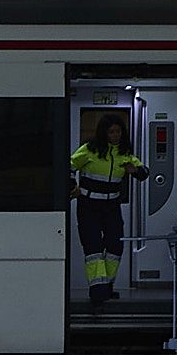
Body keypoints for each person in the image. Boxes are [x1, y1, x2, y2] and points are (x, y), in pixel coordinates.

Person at [67, 111, 146, 307]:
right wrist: (71, 187)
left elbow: (144, 172)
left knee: (114, 246)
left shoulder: (124, 153)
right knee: (93, 248)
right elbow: (68, 166)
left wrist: (134, 171)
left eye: (118, 131)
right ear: (104, 133)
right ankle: (98, 291)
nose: (116, 135)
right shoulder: (89, 150)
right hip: (89, 205)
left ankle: (107, 286)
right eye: (111, 132)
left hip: (112, 206)